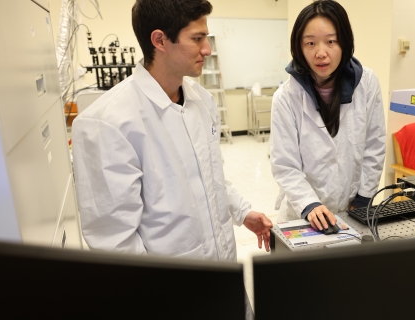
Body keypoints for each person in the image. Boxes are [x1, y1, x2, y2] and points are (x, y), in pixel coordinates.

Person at [72, 0, 272, 261]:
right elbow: (115, 242)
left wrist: (242, 211)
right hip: (169, 291)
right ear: (160, 40)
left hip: (224, 268)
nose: (207, 49)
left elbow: (211, 178)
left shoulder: (202, 101)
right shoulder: (107, 124)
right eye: (197, 38)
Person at [270, 0, 386, 232]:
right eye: (310, 43)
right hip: (302, 214)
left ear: (344, 42)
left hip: (352, 208)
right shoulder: (286, 97)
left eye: (331, 41)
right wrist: (309, 204)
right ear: (299, 47)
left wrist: (363, 197)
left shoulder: (367, 83)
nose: (320, 53)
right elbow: (285, 164)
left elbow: (374, 146)